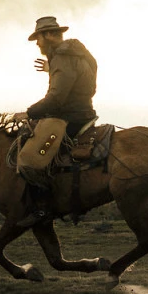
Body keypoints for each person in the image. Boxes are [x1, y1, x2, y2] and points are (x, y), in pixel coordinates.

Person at [16, 15, 98, 221]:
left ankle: (42, 208)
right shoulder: (78, 54)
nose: (37, 43)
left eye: (39, 37)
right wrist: (52, 68)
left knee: (30, 157)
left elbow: (55, 99)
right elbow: (81, 80)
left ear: (51, 34)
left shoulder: (63, 57)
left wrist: (28, 113)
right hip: (82, 111)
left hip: (69, 117)